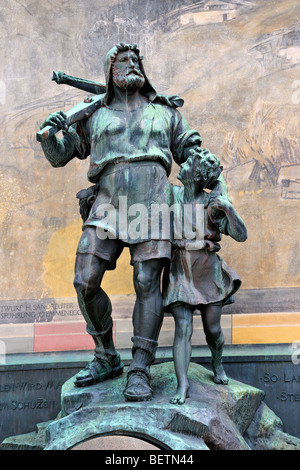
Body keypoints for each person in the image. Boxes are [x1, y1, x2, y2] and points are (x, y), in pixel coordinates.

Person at [39, 42, 221, 402]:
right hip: (107, 203)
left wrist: (210, 177)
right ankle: (106, 356)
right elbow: (61, 156)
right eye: (123, 60)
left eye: (136, 60)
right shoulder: (93, 115)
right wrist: (49, 136)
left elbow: (193, 153)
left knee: (146, 280)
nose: (132, 64)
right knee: (85, 281)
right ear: (110, 70)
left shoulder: (164, 113)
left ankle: (140, 368)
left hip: (153, 201)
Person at [163, 149, 247, 405]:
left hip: (208, 272)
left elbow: (241, 235)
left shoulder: (213, 204)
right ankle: (183, 384)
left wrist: (229, 208)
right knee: (183, 328)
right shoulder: (170, 195)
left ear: (197, 175)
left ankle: (217, 363)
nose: (183, 164)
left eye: (188, 163)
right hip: (180, 271)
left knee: (213, 330)